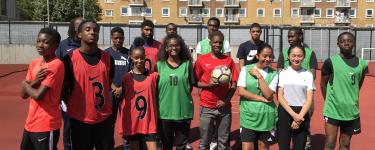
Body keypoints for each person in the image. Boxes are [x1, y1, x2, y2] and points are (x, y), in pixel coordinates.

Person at [61, 20, 115, 150]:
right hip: (80, 120)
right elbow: (64, 89)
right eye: (88, 29)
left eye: (95, 30)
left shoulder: (108, 59)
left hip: (103, 118)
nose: (92, 32)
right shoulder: (68, 60)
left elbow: (107, 84)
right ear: (79, 34)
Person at [321, 32, 368, 150]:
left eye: (349, 41)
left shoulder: (362, 64)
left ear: (354, 43)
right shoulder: (330, 62)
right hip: (333, 110)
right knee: (330, 143)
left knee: (345, 144)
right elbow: (323, 83)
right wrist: (328, 101)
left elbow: (358, 84)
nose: (346, 43)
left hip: (351, 110)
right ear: (338, 44)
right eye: (343, 41)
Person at [20, 28, 64, 150]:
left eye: (45, 42)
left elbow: (39, 95)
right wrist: (35, 81)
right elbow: (23, 95)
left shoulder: (56, 65)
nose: (40, 45)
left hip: (46, 124)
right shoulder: (34, 63)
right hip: (30, 123)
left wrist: (25, 84)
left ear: (56, 45)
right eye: (38, 41)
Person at [194, 31, 238, 150]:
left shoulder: (228, 61)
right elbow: (195, 82)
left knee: (223, 143)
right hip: (206, 105)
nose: (217, 45)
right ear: (210, 43)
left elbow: (234, 83)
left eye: (220, 42)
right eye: (215, 42)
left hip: (224, 107)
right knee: (204, 143)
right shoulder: (201, 60)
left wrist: (226, 100)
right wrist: (208, 85)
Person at [276, 27, 318, 149]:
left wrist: (299, 117)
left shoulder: (309, 59)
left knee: (301, 142)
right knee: (284, 144)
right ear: (288, 57)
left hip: (302, 106)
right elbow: (280, 94)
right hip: (286, 107)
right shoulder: (283, 69)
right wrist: (294, 115)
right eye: (293, 55)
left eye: (292, 36)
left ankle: (307, 143)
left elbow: (309, 97)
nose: (296, 58)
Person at [155, 34, 195, 150]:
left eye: (176, 45)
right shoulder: (159, 66)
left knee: (181, 146)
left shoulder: (187, 65)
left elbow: (190, 86)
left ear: (181, 47)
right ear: (166, 48)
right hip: (164, 113)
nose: (174, 48)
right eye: (170, 45)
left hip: (183, 112)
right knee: (166, 145)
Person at [237, 44, 278, 150]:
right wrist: (260, 99)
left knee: (263, 146)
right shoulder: (246, 69)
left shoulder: (274, 73)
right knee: (247, 148)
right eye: (265, 56)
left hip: (266, 116)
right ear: (257, 56)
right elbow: (241, 91)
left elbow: (268, 94)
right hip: (248, 115)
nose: (268, 59)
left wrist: (259, 77)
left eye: (270, 56)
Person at [120, 46, 159, 150]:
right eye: (136, 58)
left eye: (141, 57)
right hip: (133, 122)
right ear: (131, 58)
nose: (139, 60)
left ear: (145, 57)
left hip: (149, 121)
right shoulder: (126, 78)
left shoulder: (154, 76)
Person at [55, 17, 83, 150]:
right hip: (67, 94)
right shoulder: (63, 46)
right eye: (78, 25)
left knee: (84, 125)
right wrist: (60, 94)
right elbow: (55, 68)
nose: (81, 28)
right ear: (73, 28)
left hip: (84, 94)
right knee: (68, 125)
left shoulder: (86, 45)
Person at [104, 27, 131, 150]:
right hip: (110, 93)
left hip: (125, 92)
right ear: (112, 38)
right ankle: (109, 145)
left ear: (124, 38)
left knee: (126, 121)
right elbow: (103, 74)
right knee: (110, 122)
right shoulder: (106, 54)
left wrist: (122, 88)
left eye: (121, 38)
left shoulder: (129, 53)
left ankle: (127, 146)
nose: (118, 40)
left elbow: (132, 73)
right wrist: (114, 87)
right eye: (116, 38)